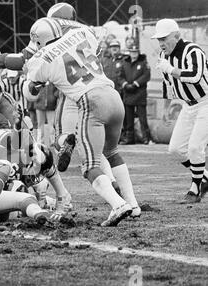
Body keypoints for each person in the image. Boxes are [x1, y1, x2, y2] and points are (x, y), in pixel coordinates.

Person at [23, 17, 140, 226]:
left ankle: (118, 204)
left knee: (89, 165)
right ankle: (132, 203)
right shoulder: (81, 33)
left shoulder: (41, 58)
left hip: (91, 101)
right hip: (113, 96)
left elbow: (31, 91)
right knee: (111, 152)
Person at [152, 18, 208, 203]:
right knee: (175, 149)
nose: (161, 43)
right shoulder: (164, 56)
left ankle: (195, 189)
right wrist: (166, 109)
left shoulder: (193, 50)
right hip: (187, 105)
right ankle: (205, 178)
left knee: (195, 147)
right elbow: (167, 84)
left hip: (205, 102)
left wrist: (172, 69)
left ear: (176, 36)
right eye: (158, 39)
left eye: (164, 38)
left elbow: (195, 76)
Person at [120, 46, 152, 145]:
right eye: (132, 52)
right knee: (128, 119)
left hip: (139, 94)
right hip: (128, 93)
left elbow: (146, 76)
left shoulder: (143, 63)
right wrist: (125, 84)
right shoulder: (125, 62)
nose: (134, 54)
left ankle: (146, 138)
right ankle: (129, 139)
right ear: (129, 52)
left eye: (135, 52)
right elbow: (120, 76)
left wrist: (136, 84)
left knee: (142, 118)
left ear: (138, 53)